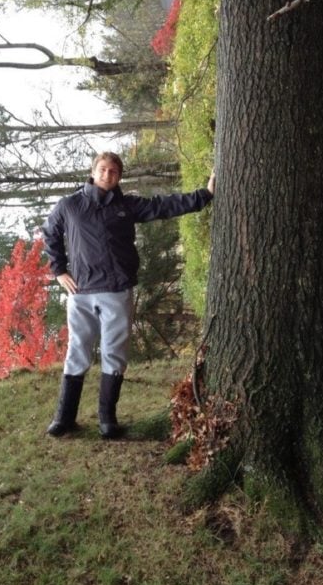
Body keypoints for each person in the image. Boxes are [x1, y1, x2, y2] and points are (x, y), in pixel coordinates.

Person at [42, 151, 215, 439]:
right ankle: (64, 418)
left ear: (119, 176)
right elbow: (50, 234)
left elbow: (163, 206)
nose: (107, 175)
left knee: (114, 353)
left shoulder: (127, 205)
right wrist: (59, 270)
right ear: (93, 171)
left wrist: (204, 195)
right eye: (103, 170)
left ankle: (107, 419)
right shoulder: (70, 205)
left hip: (117, 290)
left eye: (113, 171)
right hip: (81, 292)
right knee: (77, 351)